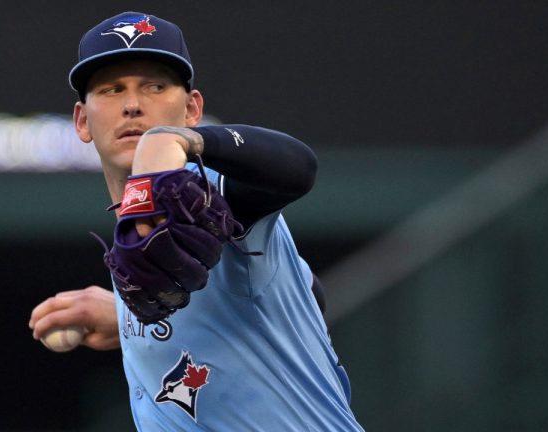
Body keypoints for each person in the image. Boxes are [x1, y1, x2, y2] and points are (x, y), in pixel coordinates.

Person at [29, 11, 363, 431]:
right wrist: (127, 316)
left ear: (192, 109)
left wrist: (188, 142)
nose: (132, 104)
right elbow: (308, 294)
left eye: (155, 86)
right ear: (82, 121)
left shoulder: (210, 195)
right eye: (112, 89)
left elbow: (298, 167)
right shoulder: (137, 238)